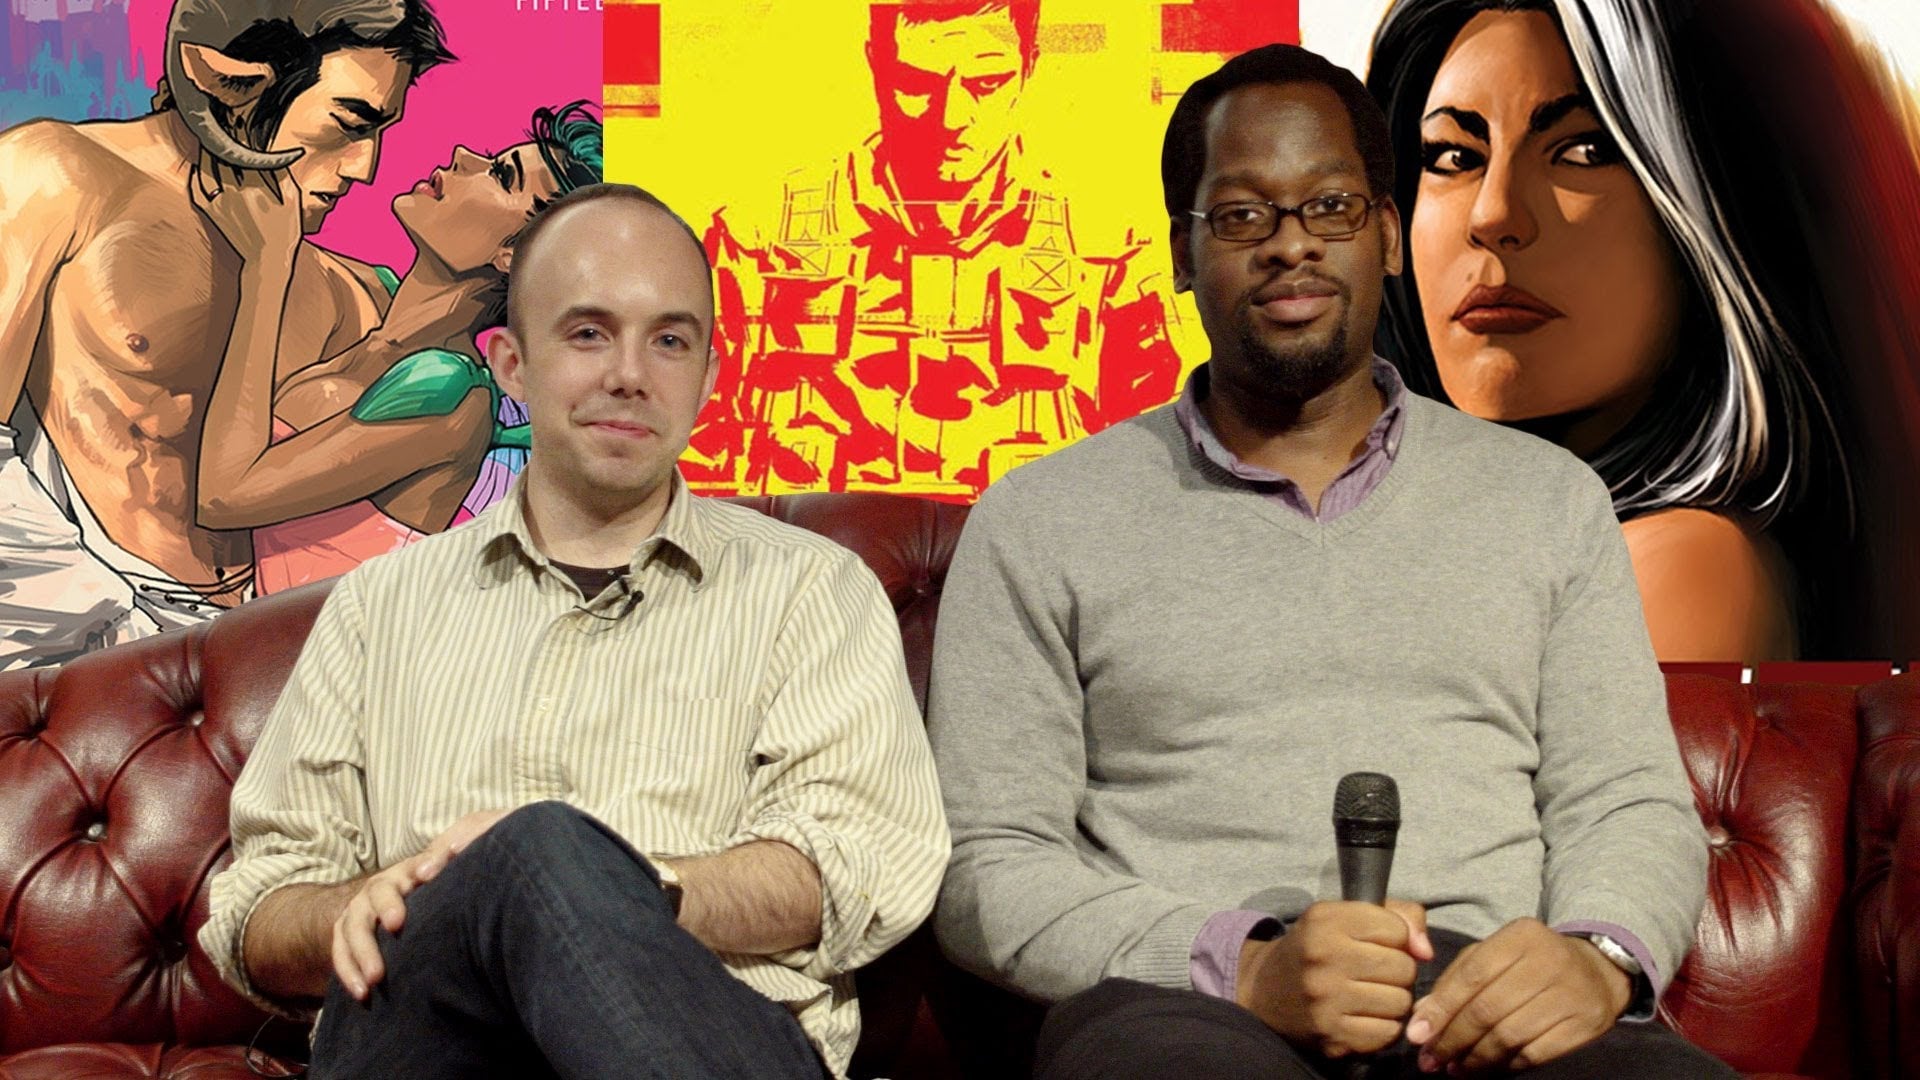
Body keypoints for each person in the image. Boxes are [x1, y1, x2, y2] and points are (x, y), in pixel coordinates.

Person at [928, 43, 1728, 1079]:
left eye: (1332, 208)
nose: (1291, 245)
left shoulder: (1549, 503)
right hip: (1188, 1009)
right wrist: (1243, 964)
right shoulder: (1042, 518)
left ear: (1388, 235)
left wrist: (1597, 957)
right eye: (1242, 216)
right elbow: (986, 867)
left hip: (1482, 1001)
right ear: (1182, 253)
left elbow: (1626, 803)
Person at [197, 183, 949, 1079]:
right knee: (517, 863)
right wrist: (370, 908)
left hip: (707, 1036)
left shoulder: (812, 591)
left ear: (709, 378)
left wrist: (610, 887)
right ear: (512, 364)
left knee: (539, 850)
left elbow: (857, 866)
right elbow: (257, 911)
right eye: (589, 332)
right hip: (431, 1046)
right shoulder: (377, 608)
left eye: (669, 340)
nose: (630, 373)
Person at [1367, 0, 1920, 662]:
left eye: (1584, 151)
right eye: (1454, 156)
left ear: (1716, 204)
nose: (1493, 215)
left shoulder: (1680, 564)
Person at [0, 0, 453, 669]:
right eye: (349, 124)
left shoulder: (330, 281)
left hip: (244, 641)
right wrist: (99, 625)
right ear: (231, 81)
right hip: (78, 637)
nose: (365, 168)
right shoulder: (57, 177)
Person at [688, 0, 1184, 499]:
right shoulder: (757, 239)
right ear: (876, 64)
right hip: (811, 545)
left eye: (986, 84)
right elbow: (692, 449)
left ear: (1029, 66)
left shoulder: (1107, 252)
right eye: (917, 84)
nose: (951, 119)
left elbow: (1154, 465)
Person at [191, 100, 604, 594]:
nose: (463, 155)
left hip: (320, 643)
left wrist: (267, 268)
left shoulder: (449, 391)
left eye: (499, 174)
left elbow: (222, 498)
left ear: (512, 256)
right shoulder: (373, 299)